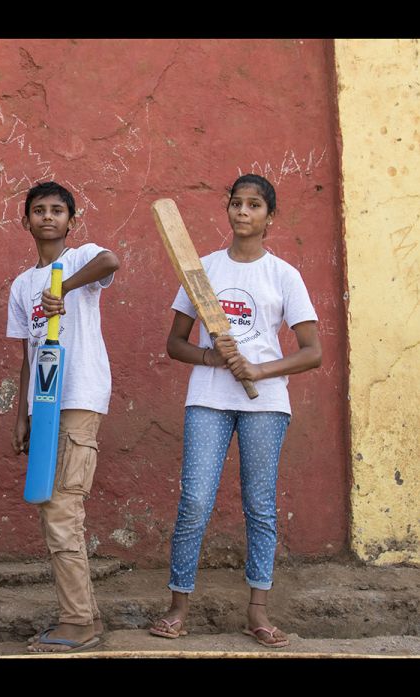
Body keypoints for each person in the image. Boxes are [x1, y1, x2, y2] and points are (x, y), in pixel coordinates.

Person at [149, 174, 321, 648]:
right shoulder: (201, 270)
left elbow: (312, 352)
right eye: (236, 204)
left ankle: (258, 612)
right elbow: (175, 344)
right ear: (227, 210)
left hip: (265, 404)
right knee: (195, 501)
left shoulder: (283, 275)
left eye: (254, 205)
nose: (243, 212)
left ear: (270, 216)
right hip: (208, 398)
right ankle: (178, 606)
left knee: (259, 506)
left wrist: (258, 369)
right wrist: (211, 357)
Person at [7, 181, 120, 653]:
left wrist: (65, 287)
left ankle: (76, 622)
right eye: (39, 210)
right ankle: (85, 615)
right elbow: (27, 355)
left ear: (71, 220)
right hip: (45, 404)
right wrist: (22, 414)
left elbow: (111, 260)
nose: (48, 217)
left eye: (57, 211)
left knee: (62, 508)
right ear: (26, 220)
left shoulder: (78, 261)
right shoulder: (20, 285)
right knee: (53, 509)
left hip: (79, 398)